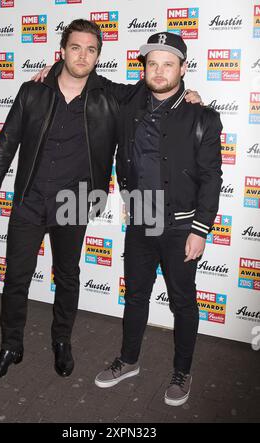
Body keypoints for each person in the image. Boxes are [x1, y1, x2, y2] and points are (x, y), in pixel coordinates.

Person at [0, 19, 201, 382]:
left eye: (91, 49)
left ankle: (62, 342)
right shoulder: (31, 91)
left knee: (67, 276)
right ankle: (10, 347)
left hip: (75, 201)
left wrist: (191, 95)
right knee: (16, 278)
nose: (83, 55)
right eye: (76, 47)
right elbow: (7, 140)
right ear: (62, 51)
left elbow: (158, 87)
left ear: (98, 56)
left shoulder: (110, 95)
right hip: (30, 200)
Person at [94, 32, 223, 407]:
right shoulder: (130, 101)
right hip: (140, 222)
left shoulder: (202, 116)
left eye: (169, 63)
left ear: (183, 68)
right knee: (135, 297)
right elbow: (91, 78)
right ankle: (129, 360)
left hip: (182, 226)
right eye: (153, 63)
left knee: (183, 302)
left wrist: (201, 230)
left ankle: (182, 371)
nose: (160, 70)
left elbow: (212, 178)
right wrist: (49, 70)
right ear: (144, 68)